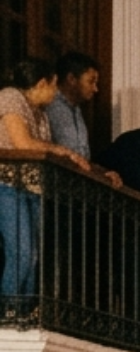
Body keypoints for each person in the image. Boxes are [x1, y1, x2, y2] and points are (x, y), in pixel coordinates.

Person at [0, 59, 92, 302]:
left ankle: (24, 312)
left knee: (33, 256)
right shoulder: (10, 97)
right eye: (53, 85)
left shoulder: (40, 114)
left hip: (31, 188)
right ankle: (8, 312)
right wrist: (63, 151)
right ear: (42, 83)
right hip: (7, 185)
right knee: (21, 252)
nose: (55, 92)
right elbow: (23, 144)